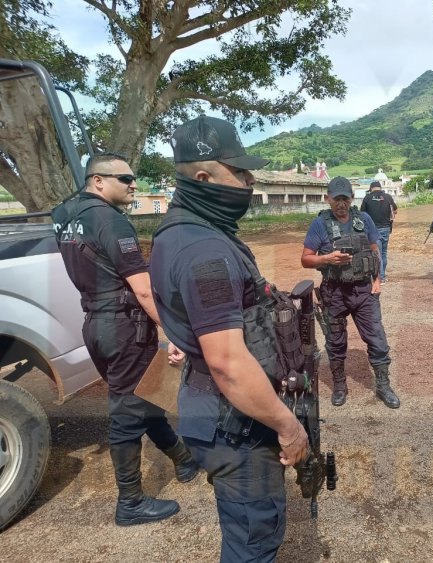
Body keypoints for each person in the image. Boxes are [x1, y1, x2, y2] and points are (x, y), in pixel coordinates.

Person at [149, 115, 308, 562]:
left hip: (213, 406)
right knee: (253, 542)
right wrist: (289, 426)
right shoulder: (205, 250)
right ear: (204, 176)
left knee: (244, 531)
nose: (248, 180)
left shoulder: (182, 230)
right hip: (232, 420)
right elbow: (228, 364)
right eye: (238, 171)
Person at [52, 152, 199, 527]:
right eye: (125, 178)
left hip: (96, 325)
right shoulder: (112, 222)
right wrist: (173, 331)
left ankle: (182, 459)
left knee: (144, 394)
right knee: (126, 412)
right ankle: (130, 502)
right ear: (98, 181)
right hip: (124, 326)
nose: (134, 184)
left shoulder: (67, 215)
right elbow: (144, 289)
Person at [301, 176, 400, 409]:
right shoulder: (319, 224)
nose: (341, 204)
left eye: (345, 198)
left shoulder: (364, 219)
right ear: (328, 199)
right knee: (335, 342)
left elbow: (375, 251)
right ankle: (339, 386)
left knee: (377, 339)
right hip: (334, 293)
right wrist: (326, 259)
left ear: (352, 198)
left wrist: (377, 280)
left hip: (365, 291)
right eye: (336, 199)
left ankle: (383, 386)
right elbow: (305, 259)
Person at [360, 180, 397, 282]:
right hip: (386, 228)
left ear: (371, 188)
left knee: (377, 253)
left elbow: (361, 215)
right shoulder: (388, 197)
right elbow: (395, 210)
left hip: (372, 230)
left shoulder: (367, 198)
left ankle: (380, 278)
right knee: (384, 253)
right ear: (380, 188)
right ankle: (382, 276)